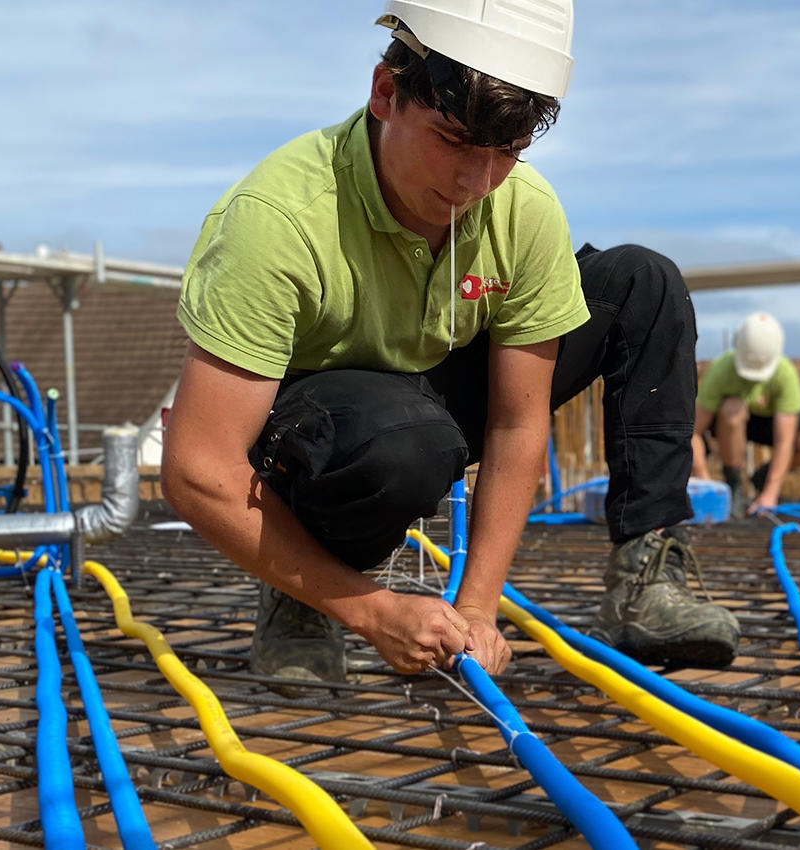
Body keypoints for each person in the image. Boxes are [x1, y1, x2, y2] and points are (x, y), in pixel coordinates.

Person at [162, 1, 739, 697]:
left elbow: (516, 422)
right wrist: (372, 611)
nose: (476, 182)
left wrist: (476, 607)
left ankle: (646, 581)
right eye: (453, 139)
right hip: (318, 430)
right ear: (385, 93)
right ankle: (304, 594)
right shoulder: (278, 220)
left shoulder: (521, 209)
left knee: (643, 283)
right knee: (408, 442)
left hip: (425, 403)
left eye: (507, 153)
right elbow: (198, 468)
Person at [690, 312, 800, 515]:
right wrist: (705, 483)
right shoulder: (721, 370)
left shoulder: (785, 374)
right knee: (732, 409)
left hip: (771, 423)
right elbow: (693, 431)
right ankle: (734, 485)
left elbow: (785, 440)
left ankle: (764, 479)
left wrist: (770, 492)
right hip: (732, 423)